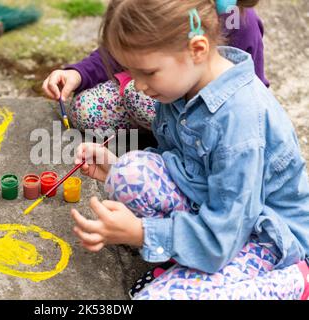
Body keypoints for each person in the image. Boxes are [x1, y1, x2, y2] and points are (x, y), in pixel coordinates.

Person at [70, 0, 309, 300]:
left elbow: (226, 235)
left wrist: (143, 233)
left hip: (266, 237)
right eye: (132, 72)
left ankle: (291, 283)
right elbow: (185, 163)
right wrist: (114, 165)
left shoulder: (239, 123)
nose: (138, 86)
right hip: (221, 211)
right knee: (127, 175)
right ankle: (189, 260)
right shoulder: (184, 86)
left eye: (148, 72)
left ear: (197, 49)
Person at [42, 0, 269, 132]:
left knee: (136, 95)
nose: (140, 82)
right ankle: (164, 133)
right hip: (168, 92)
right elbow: (122, 49)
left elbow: (253, 88)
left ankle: (173, 140)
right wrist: (78, 73)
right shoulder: (148, 6)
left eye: (148, 72)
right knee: (83, 110)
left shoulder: (237, 19)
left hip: (211, 115)